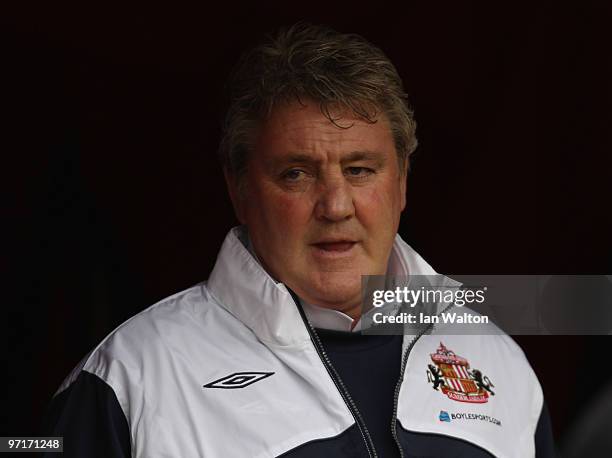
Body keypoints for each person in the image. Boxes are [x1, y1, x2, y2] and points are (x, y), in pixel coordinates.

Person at [42, 23, 557, 457]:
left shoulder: (496, 359)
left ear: (401, 183)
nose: (335, 206)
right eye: (296, 174)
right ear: (239, 189)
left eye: (360, 170)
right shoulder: (131, 378)